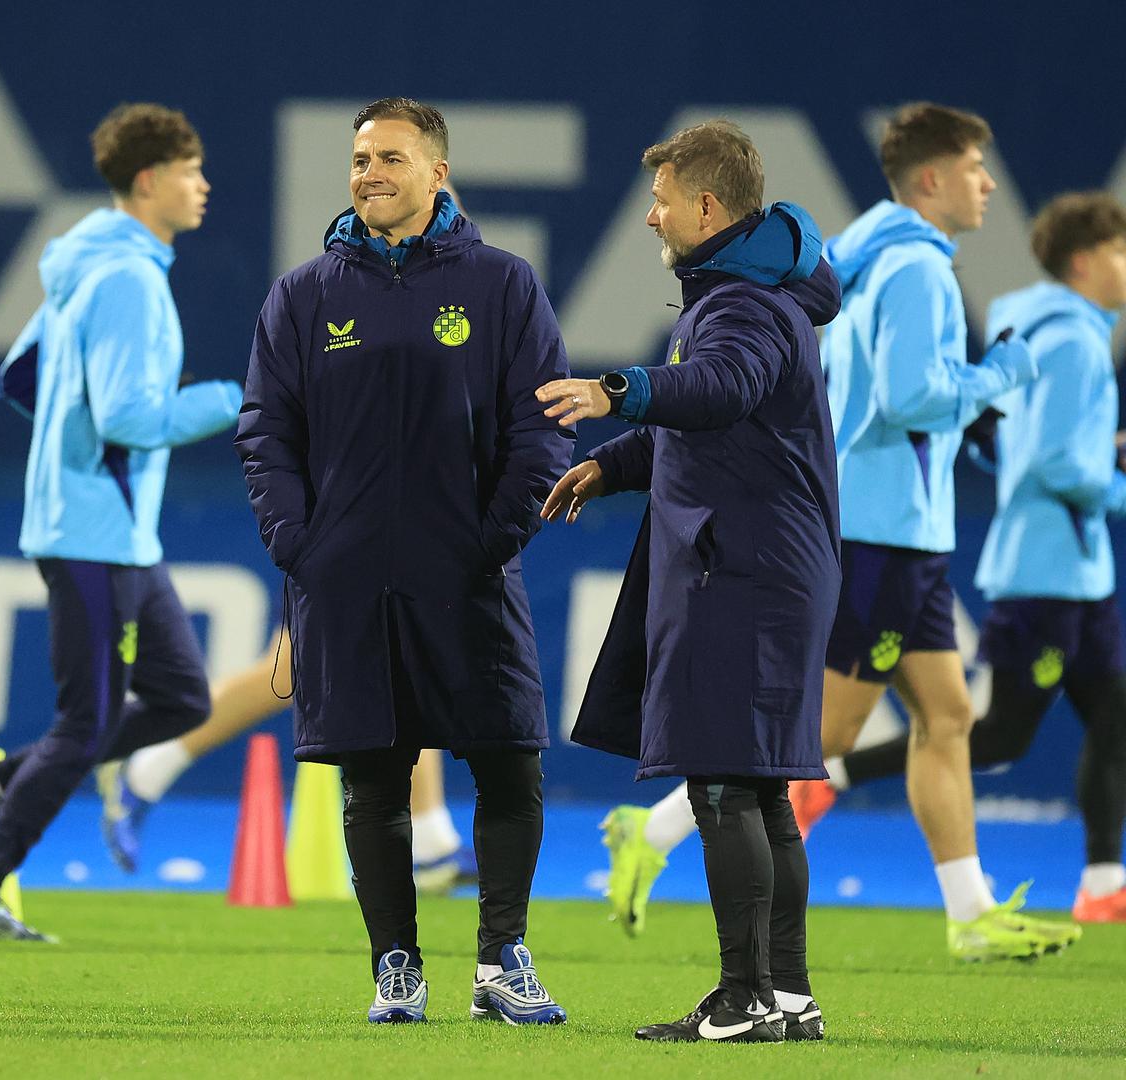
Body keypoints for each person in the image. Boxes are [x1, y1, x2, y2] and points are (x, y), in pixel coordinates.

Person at [601, 103, 1081, 963]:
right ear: (931, 178)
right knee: (806, 742)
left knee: (949, 713)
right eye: (975, 168)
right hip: (878, 525)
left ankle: (966, 909)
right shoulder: (911, 271)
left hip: (900, 527)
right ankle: (657, 835)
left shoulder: (854, 259)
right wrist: (1000, 374)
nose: (988, 186)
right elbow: (911, 398)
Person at [237, 97, 569, 1025]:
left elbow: (539, 425)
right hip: (345, 579)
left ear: (438, 174)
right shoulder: (303, 295)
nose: (369, 172)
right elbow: (267, 434)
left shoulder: (503, 285)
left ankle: (502, 960)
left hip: (468, 572)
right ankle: (397, 969)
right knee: (373, 777)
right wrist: (300, 547)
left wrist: (495, 536)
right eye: (358, 158)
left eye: (390, 156)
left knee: (509, 762)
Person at [540, 120, 840, 1042]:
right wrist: (619, 461)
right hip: (772, 562)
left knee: (723, 787)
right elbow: (722, 423)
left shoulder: (741, 306)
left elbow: (720, 392)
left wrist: (617, 391)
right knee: (758, 787)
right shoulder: (759, 294)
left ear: (706, 207)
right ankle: (785, 994)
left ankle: (744, 997)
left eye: (662, 199)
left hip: (739, 569)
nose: (651, 218)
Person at [0, 103, 242, 941]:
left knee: (180, 698)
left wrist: (69, 456)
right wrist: (233, 402)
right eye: (190, 170)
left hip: (114, 532)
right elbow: (131, 420)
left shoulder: (86, 265)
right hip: (94, 536)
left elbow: (19, 376)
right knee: (87, 726)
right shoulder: (130, 279)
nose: (203, 185)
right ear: (149, 182)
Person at [802, 192, 1126, 924]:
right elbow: (1039, 457)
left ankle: (1082, 886)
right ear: (1083, 260)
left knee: (1008, 719)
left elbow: (1010, 440)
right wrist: (1112, 480)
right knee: (973, 732)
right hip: (1034, 573)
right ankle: (689, 816)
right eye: (1118, 250)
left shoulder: (1051, 331)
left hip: (1064, 569)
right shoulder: (1057, 337)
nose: (987, 185)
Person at [93, 627, 477, 894]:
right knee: (298, 662)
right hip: (345, 522)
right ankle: (148, 765)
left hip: (385, 526)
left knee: (403, 652)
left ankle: (429, 844)